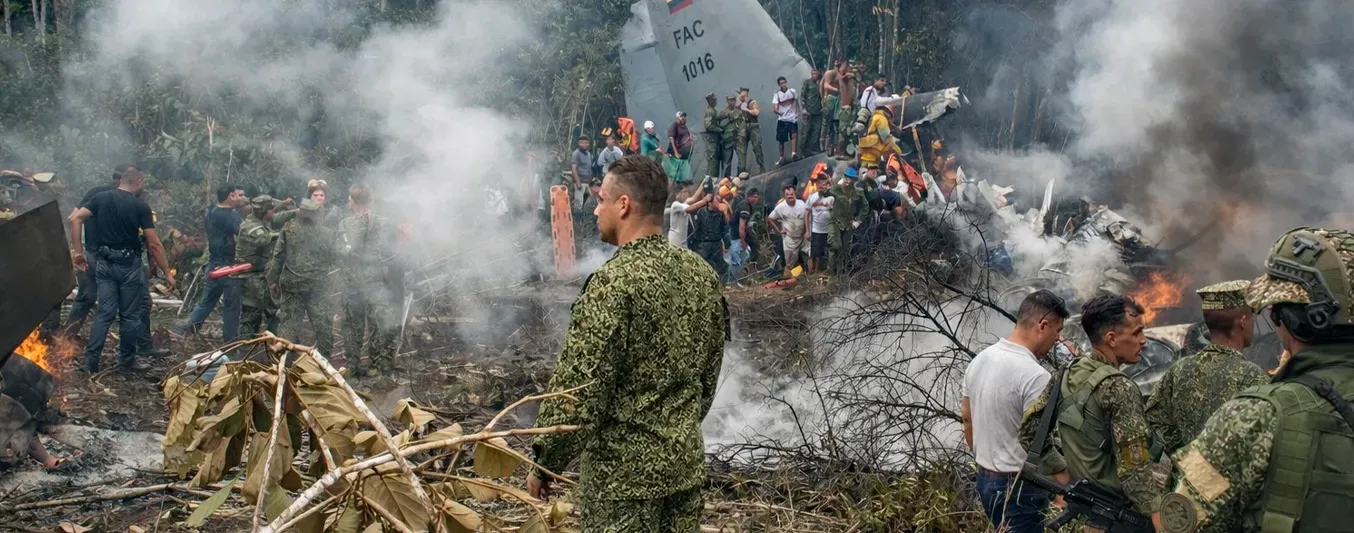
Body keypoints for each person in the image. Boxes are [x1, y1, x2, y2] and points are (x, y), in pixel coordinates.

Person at [527, 154, 727, 531]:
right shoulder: (702, 275)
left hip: (623, 484)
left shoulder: (614, 283)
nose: (595, 210)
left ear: (624, 205)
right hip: (683, 469)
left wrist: (544, 460)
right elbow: (707, 376)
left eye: (601, 200)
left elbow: (580, 388)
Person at [1158, 227, 1354, 533]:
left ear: (1289, 319)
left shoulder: (1254, 416)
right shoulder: (1252, 378)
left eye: (1275, 311)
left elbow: (1180, 524)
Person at [1020, 294, 1163, 529]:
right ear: (1112, 339)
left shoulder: (1067, 372)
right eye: (1137, 333)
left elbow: (1028, 430)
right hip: (1121, 518)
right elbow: (1134, 472)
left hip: (1084, 515)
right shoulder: (1120, 387)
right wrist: (1159, 518)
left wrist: (1063, 473)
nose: (1144, 341)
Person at [963, 290, 1072, 533]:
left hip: (985, 480)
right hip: (1021, 486)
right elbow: (1040, 441)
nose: (1058, 339)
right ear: (1042, 325)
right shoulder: (1036, 376)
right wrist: (1064, 483)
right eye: (1058, 331)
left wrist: (989, 463)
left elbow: (967, 419)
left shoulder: (980, 360)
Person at [68, 167, 175, 372]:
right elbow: (154, 244)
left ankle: (91, 362)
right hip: (129, 266)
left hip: (105, 264)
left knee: (105, 313)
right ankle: (127, 361)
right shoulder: (140, 206)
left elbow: (75, 219)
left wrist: (78, 252)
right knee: (130, 315)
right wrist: (167, 272)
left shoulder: (101, 198)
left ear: (120, 181)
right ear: (139, 182)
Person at [1145, 280, 1268, 457]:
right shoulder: (1252, 376)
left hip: (1187, 477)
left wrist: (1185, 452)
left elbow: (1155, 418)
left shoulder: (1179, 369)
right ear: (1243, 321)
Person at [339, 184, 401, 377]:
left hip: (353, 281)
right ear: (370, 201)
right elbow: (393, 253)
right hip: (375, 280)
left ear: (352, 201)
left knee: (351, 324)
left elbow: (340, 249)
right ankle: (375, 366)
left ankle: (353, 367)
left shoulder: (345, 224)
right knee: (376, 324)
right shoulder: (384, 223)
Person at [266, 199, 339, 358]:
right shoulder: (328, 234)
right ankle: (324, 364)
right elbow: (335, 258)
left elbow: (278, 257)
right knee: (322, 325)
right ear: (317, 214)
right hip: (318, 286)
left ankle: (283, 364)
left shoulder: (288, 229)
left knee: (289, 324)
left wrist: (272, 281)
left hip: (292, 285)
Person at [176, 183, 246, 340]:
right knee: (231, 306)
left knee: (207, 301)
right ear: (230, 196)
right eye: (238, 195)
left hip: (213, 263)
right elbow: (245, 233)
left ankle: (187, 330)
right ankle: (231, 341)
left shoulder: (212, 211)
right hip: (228, 266)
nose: (241, 198)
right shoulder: (231, 216)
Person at [236, 194, 283, 337]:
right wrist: (283, 234)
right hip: (251, 277)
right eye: (271, 210)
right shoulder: (250, 226)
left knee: (273, 312)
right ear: (264, 212)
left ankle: (273, 344)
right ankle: (245, 348)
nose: (273, 213)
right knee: (251, 315)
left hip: (261, 275)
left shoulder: (261, 223)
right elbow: (264, 239)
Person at [816, 168, 867, 275]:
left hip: (848, 224)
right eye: (846, 177)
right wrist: (824, 184)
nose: (848, 180)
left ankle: (842, 273)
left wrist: (858, 220)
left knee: (845, 249)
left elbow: (865, 207)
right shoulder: (836, 189)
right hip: (835, 221)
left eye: (851, 178)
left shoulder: (858, 193)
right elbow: (825, 193)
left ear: (854, 180)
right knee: (834, 245)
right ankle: (831, 271)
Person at [689, 183, 730, 279]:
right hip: (702, 245)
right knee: (701, 269)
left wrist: (725, 211)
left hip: (716, 245)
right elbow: (694, 227)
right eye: (716, 199)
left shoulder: (720, 213)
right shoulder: (700, 211)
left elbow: (725, 228)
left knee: (721, 268)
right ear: (710, 202)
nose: (718, 202)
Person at [766, 184, 809, 277]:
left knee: (809, 257)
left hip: (803, 237)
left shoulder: (802, 205)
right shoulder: (780, 207)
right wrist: (778, 230)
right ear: (784, 196)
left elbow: (808, 218)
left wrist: (807, 231)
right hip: (789, 239)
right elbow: (770, 218)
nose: (790, 196)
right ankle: (788, 280)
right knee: (789, 263)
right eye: (787, 194)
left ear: (795, 194)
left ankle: (810, 277)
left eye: (791, 194)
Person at [727, 187, 760, 286]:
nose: (756, 200)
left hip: (734, 236)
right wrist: (743, 241)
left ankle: (737, 280)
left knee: (743, 257)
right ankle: (732, 282)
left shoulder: (743, 204)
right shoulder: (745, 208)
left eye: (757, 197)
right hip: (736, 237)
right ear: (750, 197)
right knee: (736, 261)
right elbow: (741, 227)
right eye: (755, 197)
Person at [805, 174, 833, 274]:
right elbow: (807, 213)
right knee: (814, 253)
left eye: (824, 184)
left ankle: (822, 270)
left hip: (829, 230)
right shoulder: (812, 197)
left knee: (825, 252)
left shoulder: (831, 197)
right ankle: (812, 272)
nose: (822, 186)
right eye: (819, 184)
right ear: (816, 185)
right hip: (816, 230)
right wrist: (807, 231)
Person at [820, 60, 848, 155]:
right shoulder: (830, 73)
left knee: (836, 124)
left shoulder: (844, 74)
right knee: (826, 123)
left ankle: (835, 147)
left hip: (839, 100)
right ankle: (823, 144)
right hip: (830, 99)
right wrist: (824, 97)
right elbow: (824, 85)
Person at [772, 76, 799, 166]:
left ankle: (793, 154)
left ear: (786, 82)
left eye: (784, 82)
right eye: (781, 83)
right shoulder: (777, 94)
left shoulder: (792, 91)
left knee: (794, 135)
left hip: (792, 118)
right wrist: (779, 112)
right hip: (782, 120)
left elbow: (796, 102)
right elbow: (775, 107)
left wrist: (797, 112)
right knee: (781, 140)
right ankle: (781, 157)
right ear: (779, 85)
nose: (783, 84)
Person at [737, 88, 764, 174]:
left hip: (753, 126)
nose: (741, 95)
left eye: (742, 93)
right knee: (742, 149)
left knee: (757, 146)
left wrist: (747, 109)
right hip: (743, 127)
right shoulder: (738, 104)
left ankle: (761, 166)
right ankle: (741, 169)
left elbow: (756, 113)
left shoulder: (752, 102)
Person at [666, 112, 694, 185]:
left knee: (682, 169)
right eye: (682, 117)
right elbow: (671, 140)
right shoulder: (674, 126)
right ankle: (672, 185)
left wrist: (690, 136)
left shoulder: (684, 126)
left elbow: (684, 134)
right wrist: (676, 152)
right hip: (675, 152)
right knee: (674, 171)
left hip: (683, 153)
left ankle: (681, 182)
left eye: (684, 116)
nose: (684, 118)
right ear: (678, 118)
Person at [799, 68, 823, 155]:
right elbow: (802, 95)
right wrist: (804, 108)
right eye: (813, 74)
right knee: (805, 131)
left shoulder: (819, 83)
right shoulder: (807, 83)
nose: (815, 76)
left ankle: (814, 148)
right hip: (808, 111)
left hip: (817, 111)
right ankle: (802, 151)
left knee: (816, 130)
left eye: (816, 74)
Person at [570, 136, 595, 207]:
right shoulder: (576, 153)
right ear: (578, 143)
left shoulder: (589, 154)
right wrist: (578, 182)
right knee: (578, 203)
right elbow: (574, 169)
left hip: (588, 183)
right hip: (580, 182)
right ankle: (577, 217)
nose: (584, 145)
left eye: (586, 143)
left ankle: (585, 217)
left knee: (589, 202)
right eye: (582, 143)